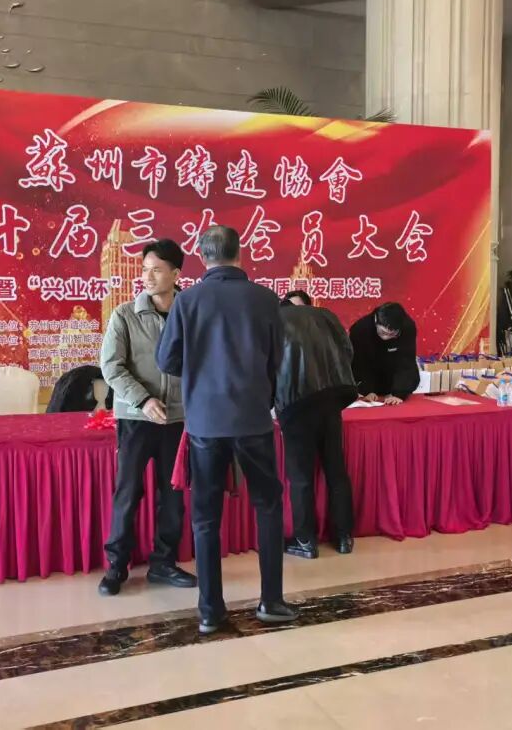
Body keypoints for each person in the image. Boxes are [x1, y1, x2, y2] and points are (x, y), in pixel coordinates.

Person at [156, 225, 298, 635]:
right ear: (240, 253)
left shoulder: (188, 300)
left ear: (203, 258)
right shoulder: (265, 299)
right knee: (268, 506)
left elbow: (167, 360)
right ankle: (271, 600)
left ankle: (209, 611)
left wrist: (201, 369)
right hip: (253, 418)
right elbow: (277, 358)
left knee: (205, 517)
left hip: (205, 421)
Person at [97, 239, 196, 596]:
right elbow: (112, 367)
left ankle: (163, 563)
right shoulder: (125, 315)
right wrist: (143, 399)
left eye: (156, 270)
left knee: (172, 495)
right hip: (136, 419)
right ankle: (116, 566)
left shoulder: (191, 314)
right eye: (144, 270)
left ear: (176, 273)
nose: (147, 277)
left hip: (178, 420)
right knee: (128, 491)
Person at [275, 296, 357, 559]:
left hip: (295, 404)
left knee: (301, 478)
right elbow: (348, 351)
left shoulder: (274, 321)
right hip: (331, 399)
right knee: (336, 471)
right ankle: (344, 537)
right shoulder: (325, 315)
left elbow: (265, 365)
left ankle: (305, 541)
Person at [349, 302, 420, 405]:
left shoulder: (407, 327)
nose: (386, 338)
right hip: (370, 373)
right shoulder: (360, 329)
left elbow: (406, 362)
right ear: (376, 321)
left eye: (392, 334)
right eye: (383, 332)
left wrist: (399, 393)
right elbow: (359, 363)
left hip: (393, 375)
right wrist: (366, 390)